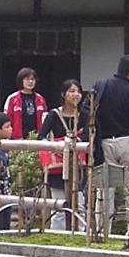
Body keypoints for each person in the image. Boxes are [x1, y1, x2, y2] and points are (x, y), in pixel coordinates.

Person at [87, 54, 129, 235]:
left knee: (105, 190)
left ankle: (102, 230)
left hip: (105, 141)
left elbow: (87, 109)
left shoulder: (100, 86)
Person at [40, 79, 90, 230]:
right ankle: (57, 234)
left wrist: (77, 141)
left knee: (79, 204)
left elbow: (89, 135)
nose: (76, 95)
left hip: (78, 165)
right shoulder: (54, 114)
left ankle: (80, 233)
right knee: (58, 206)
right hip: (58, 166)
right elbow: (41, 136)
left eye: (78, 91)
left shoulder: (85, 115)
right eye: (72, 91)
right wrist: (54, 147)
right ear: (63, 94)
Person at [4, 68, 48, 140]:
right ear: (21, 80)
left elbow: (45, 120)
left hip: (37, 139)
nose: (30, 81)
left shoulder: (41, 99)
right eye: (27, 79)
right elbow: (7, 119)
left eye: (32, 79)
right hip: (17, 139)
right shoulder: (12, 98)